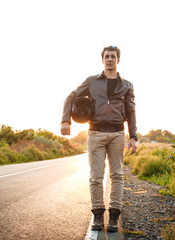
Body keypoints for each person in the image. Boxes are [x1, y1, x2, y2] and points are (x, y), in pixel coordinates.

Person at [60, 46, 137, 232]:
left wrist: (133, 136)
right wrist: (65, 120)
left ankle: (114, 217)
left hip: (118, 133)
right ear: (102, 59)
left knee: (117, 175)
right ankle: (97, 215)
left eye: (113, 57)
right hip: (95, 133)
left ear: (118, 60)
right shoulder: (91, 81)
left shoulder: (127, 85)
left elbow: (131, 111)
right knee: (96, 177)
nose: (110, 59)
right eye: (107, 56)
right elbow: (70, 97)